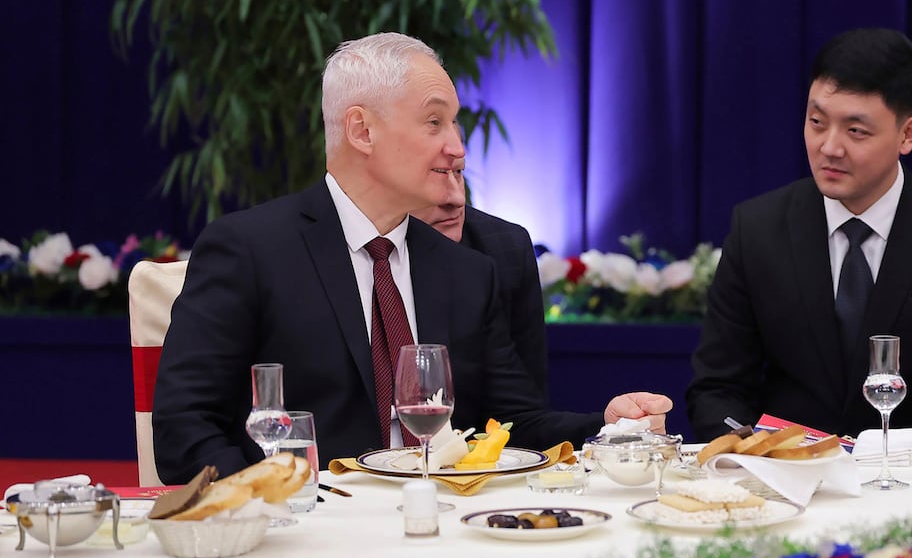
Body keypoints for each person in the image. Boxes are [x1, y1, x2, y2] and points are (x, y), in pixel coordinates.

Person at [153, 33, 669, 481]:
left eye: (455, 124)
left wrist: (607, 426)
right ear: (362, 131)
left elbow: (518, 424)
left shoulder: (466, 271)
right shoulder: (249, 250)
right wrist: (277, 504)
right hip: (306, 547)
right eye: (433, 123)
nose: (458, 148)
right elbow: (185, 427)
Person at [687, 28, 912, 440]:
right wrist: (751, 449)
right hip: (785, 477)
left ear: (908, 134)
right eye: (817, 122)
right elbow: (717, 388)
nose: (829, 147)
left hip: (909, 483)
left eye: (856, 131)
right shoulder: (758, 230)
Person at [415, 170, 599, 441]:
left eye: (458, 173)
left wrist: (610, 428)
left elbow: (520, 418)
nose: (456, 198)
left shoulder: (503, 250)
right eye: (435, 177)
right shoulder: (339, 247)